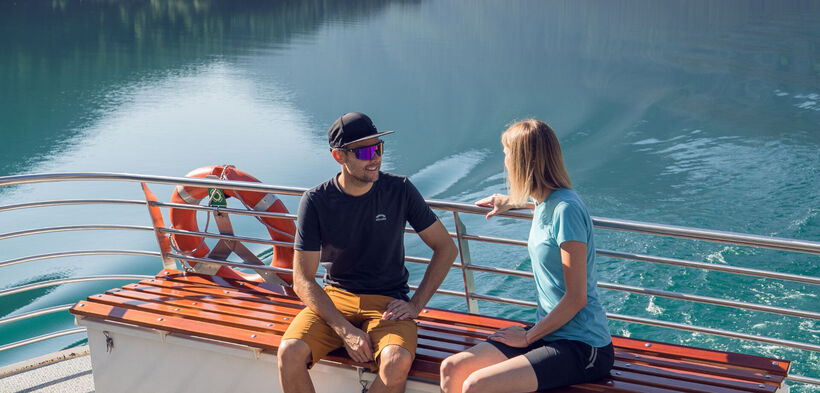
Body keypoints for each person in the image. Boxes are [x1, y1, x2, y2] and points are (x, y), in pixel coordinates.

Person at [277, 112, 458, 393]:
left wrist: (416, 305)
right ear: (339, 157)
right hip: (335, 299)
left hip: (389, 304)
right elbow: (302, 279)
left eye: (379, 148)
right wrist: (345, 330)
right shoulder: (315, 201)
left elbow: (446, 248)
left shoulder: (399, 190)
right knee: (289, 353)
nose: (375, 158)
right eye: (365, 151)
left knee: (396, 362)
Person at [439, 119, 613, 393]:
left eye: (507, 153)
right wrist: (509, 200)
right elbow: (537, 199)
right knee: (452, 368)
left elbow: (577, 298)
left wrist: (529, 336)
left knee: (477, 384)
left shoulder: (566, 211)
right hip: (550, 330)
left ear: (524, 161)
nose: (505, 161)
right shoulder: (543, 201)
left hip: (582, 344)